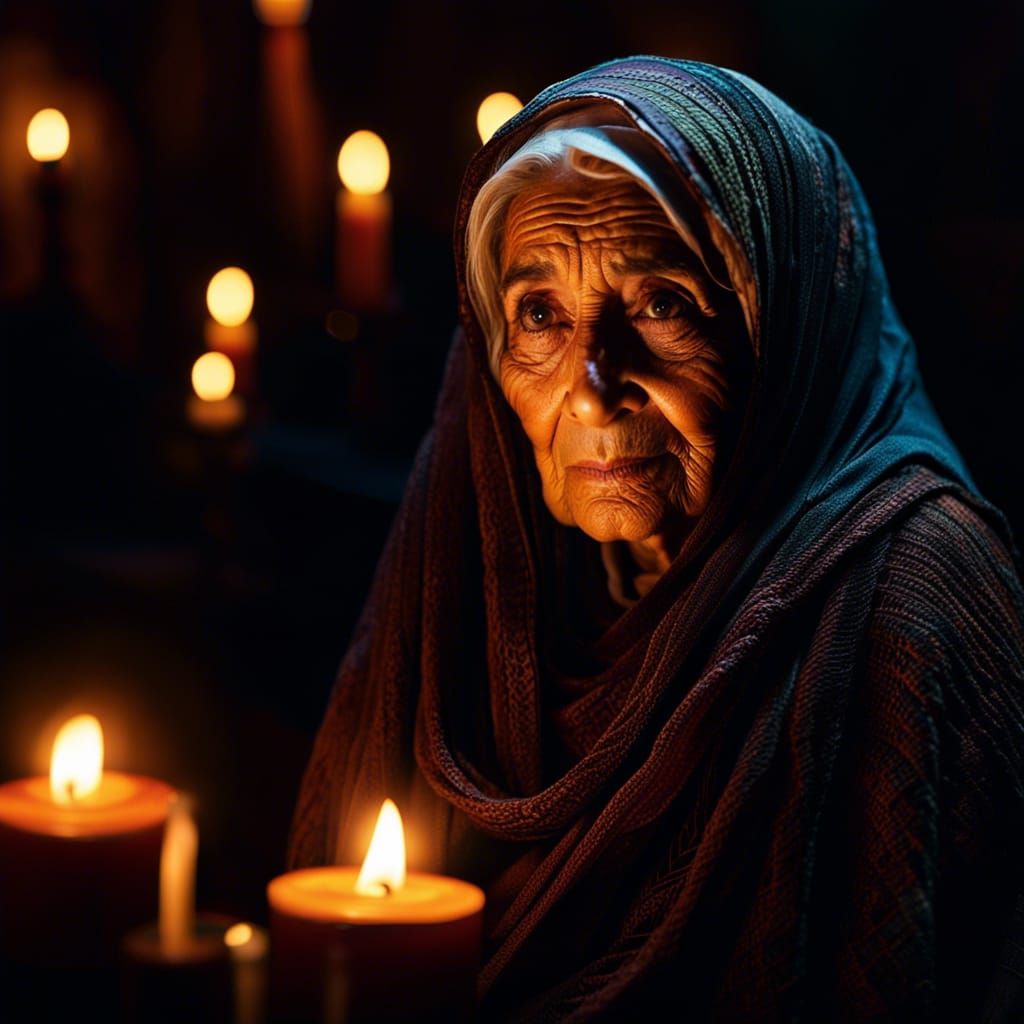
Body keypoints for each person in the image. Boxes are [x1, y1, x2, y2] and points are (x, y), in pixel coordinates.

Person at [289, 56, 1024, 1020]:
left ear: (787, 325)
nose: (591, 386)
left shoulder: (913, 593)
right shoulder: (498, 565)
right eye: (540, 314)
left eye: (663, 305)